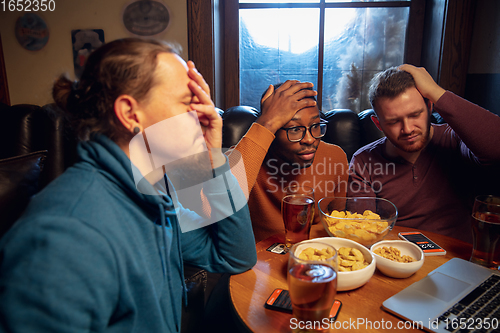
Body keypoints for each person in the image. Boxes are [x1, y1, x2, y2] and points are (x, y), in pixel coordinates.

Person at [0, 38, 256, 332]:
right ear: (130, 114)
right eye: (189, 102)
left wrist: (213, 158)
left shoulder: (155, 200)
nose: (208, 114)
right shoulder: (67, 232)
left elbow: (236, 255)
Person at [348, 64, 500, 243]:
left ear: (429, 107)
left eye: (415, 115)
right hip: (395, 257)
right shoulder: (363, 161)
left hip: (459, 261)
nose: (407, 129)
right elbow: (361, 233)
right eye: (394, 121)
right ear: (378, 124)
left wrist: (436, 91)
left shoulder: (455, 140)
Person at [232, 80, 349, 243]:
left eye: (315, 126)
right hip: (260, 263)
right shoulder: (244, 155)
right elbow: (212, 210)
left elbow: (339, 223)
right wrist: (266, 123)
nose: (309, 139)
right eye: (295, 129)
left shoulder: (335, 156)